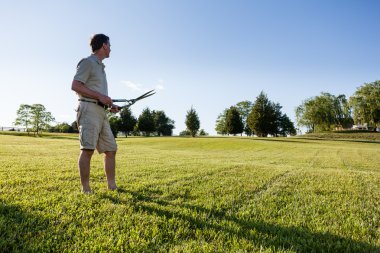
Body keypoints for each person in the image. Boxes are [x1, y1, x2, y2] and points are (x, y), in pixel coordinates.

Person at [71, 34, 119, 193]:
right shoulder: (88, 62)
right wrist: (100, 96)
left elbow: (99, 94)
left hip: (100, 112)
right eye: (110, 45)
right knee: (87, 149)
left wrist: (110, 105)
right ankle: (86, 189)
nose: (111, 48)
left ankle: (112, 186)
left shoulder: (100, 66)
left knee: (111, 149)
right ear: (104, 45)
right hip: (88, 110)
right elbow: (76, 85)